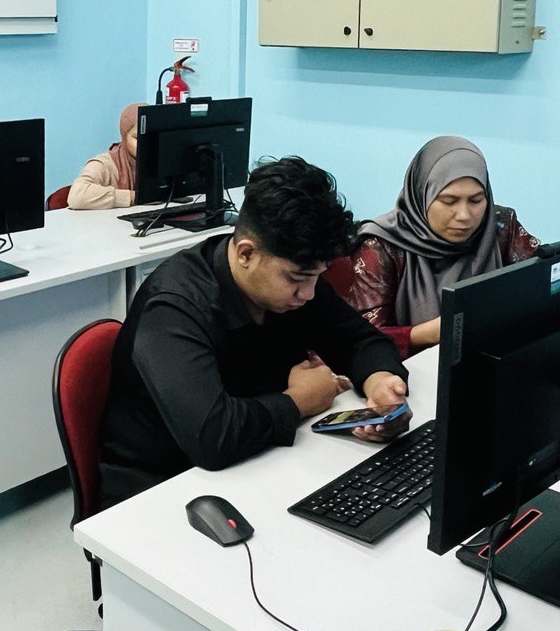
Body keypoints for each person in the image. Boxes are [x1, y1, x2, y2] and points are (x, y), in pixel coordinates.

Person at [98, 156, 409, 509]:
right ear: (246, 253)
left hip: (254, 462)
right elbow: (211, 436)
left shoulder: (293, 281)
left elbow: (360, 339)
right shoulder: (174, 307)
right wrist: (298, 402)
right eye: (297, 279)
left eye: (317, 277)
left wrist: (381, 381)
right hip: (158, 490)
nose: (309, 294)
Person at [347, 135, 539, 358]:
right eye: (449, 201)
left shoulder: (499, 227)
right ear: (422, 195)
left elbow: (543, 286)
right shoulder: (381, 246)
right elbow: (359, 338)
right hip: (407, 372)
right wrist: (429, 333)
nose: (464, 215)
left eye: (476, 200)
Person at [67, 103, 143, 210]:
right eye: (137, 138)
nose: (145, 144)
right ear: (124, 136)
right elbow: (76, 196)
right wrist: (132, 197)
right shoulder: (104, 164)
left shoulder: (157, 162)